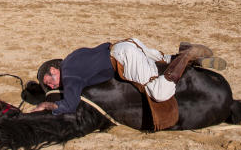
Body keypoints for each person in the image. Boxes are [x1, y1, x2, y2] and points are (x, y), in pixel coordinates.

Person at [30, 39, 225, 115]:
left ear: (54, 71)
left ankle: (187, 55)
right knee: (162, 61)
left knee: (158, 91)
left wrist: (46, 105)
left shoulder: (70, 75)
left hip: (125, 57)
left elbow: (70, 105)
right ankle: (182, 54)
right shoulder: (73, 56)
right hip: (125, 45)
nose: (56, 86)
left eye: (51, 82)